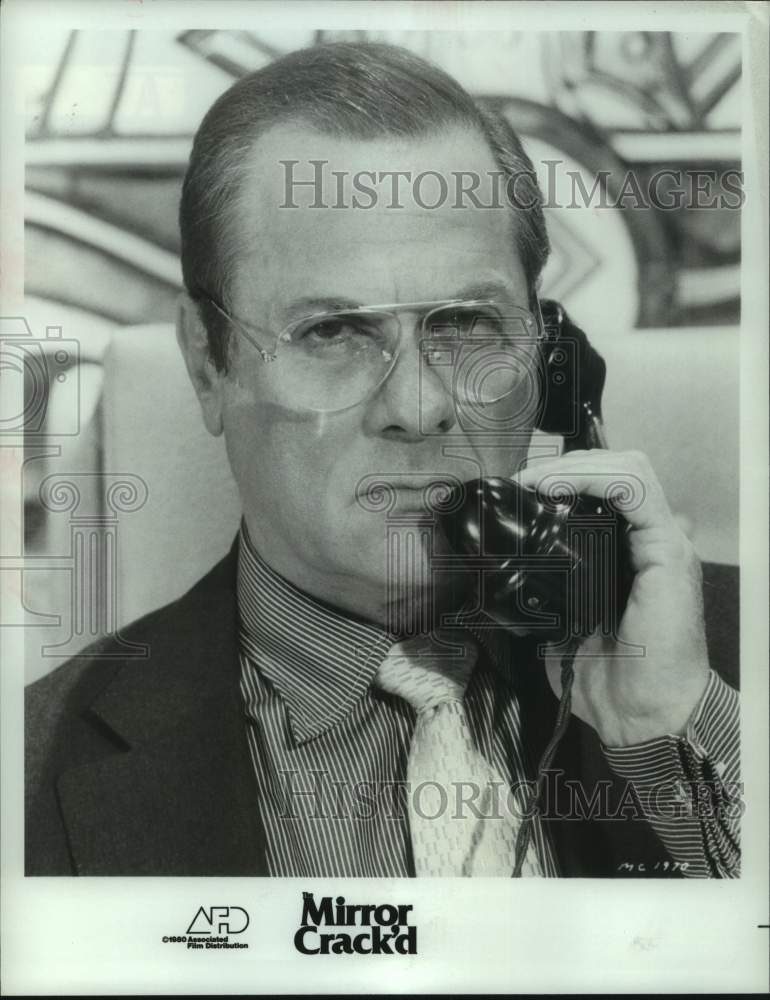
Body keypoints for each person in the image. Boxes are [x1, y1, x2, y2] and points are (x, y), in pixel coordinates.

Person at [25, 42, 740, 878]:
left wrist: (683, 736)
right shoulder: (32, 775)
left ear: (550, 358)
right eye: (332, 332)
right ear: (205, 362)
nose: (419, 406)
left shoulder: (728, 672)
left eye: (468, 326)